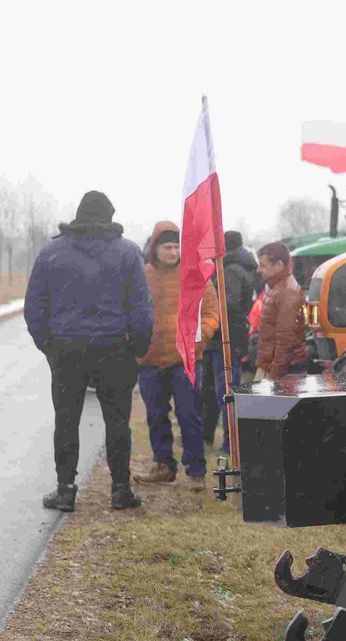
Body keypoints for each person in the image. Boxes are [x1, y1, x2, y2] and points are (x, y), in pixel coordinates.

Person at [24, 191, 151, 512]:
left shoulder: (51, 252)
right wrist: (138, 348)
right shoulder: (128, 252)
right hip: (114, 349)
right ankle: (120, 490)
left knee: (66, 420)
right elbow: (140, 309)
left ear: (79, 214)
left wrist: (49, 346)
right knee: (118, 421)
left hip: (67, 349)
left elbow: (34, 308)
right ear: (109, 216)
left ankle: (65, 490)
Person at [133, 221, 220, 486]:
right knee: (156, 417)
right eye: (167, 247)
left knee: (189, 415)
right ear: (154, 248)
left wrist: (198, 340)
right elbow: (131, 310)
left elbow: (211, 313)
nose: (172, 252)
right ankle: (163, 466)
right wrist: (135, 344)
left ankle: (196, 472)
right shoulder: (142, 275)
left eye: (176, 246)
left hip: (185, 361)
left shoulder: (194, 275)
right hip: (149, 360)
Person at [201, 231, 257, 454]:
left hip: (225, 338)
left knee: (224, 391)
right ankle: (216, 438)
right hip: (229, 337)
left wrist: (213, 325)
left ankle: (229, 444)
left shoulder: (231, 271)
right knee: (219, 389)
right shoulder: (240, 267)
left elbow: (228, 306)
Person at [254, 242, 308, 380]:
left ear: (278, 265)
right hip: (274, 367)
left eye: (263, 265)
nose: (258, 270)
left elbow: (285, 341)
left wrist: (274, 378)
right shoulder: (278, 288)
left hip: (281, 371)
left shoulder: (287, 293)